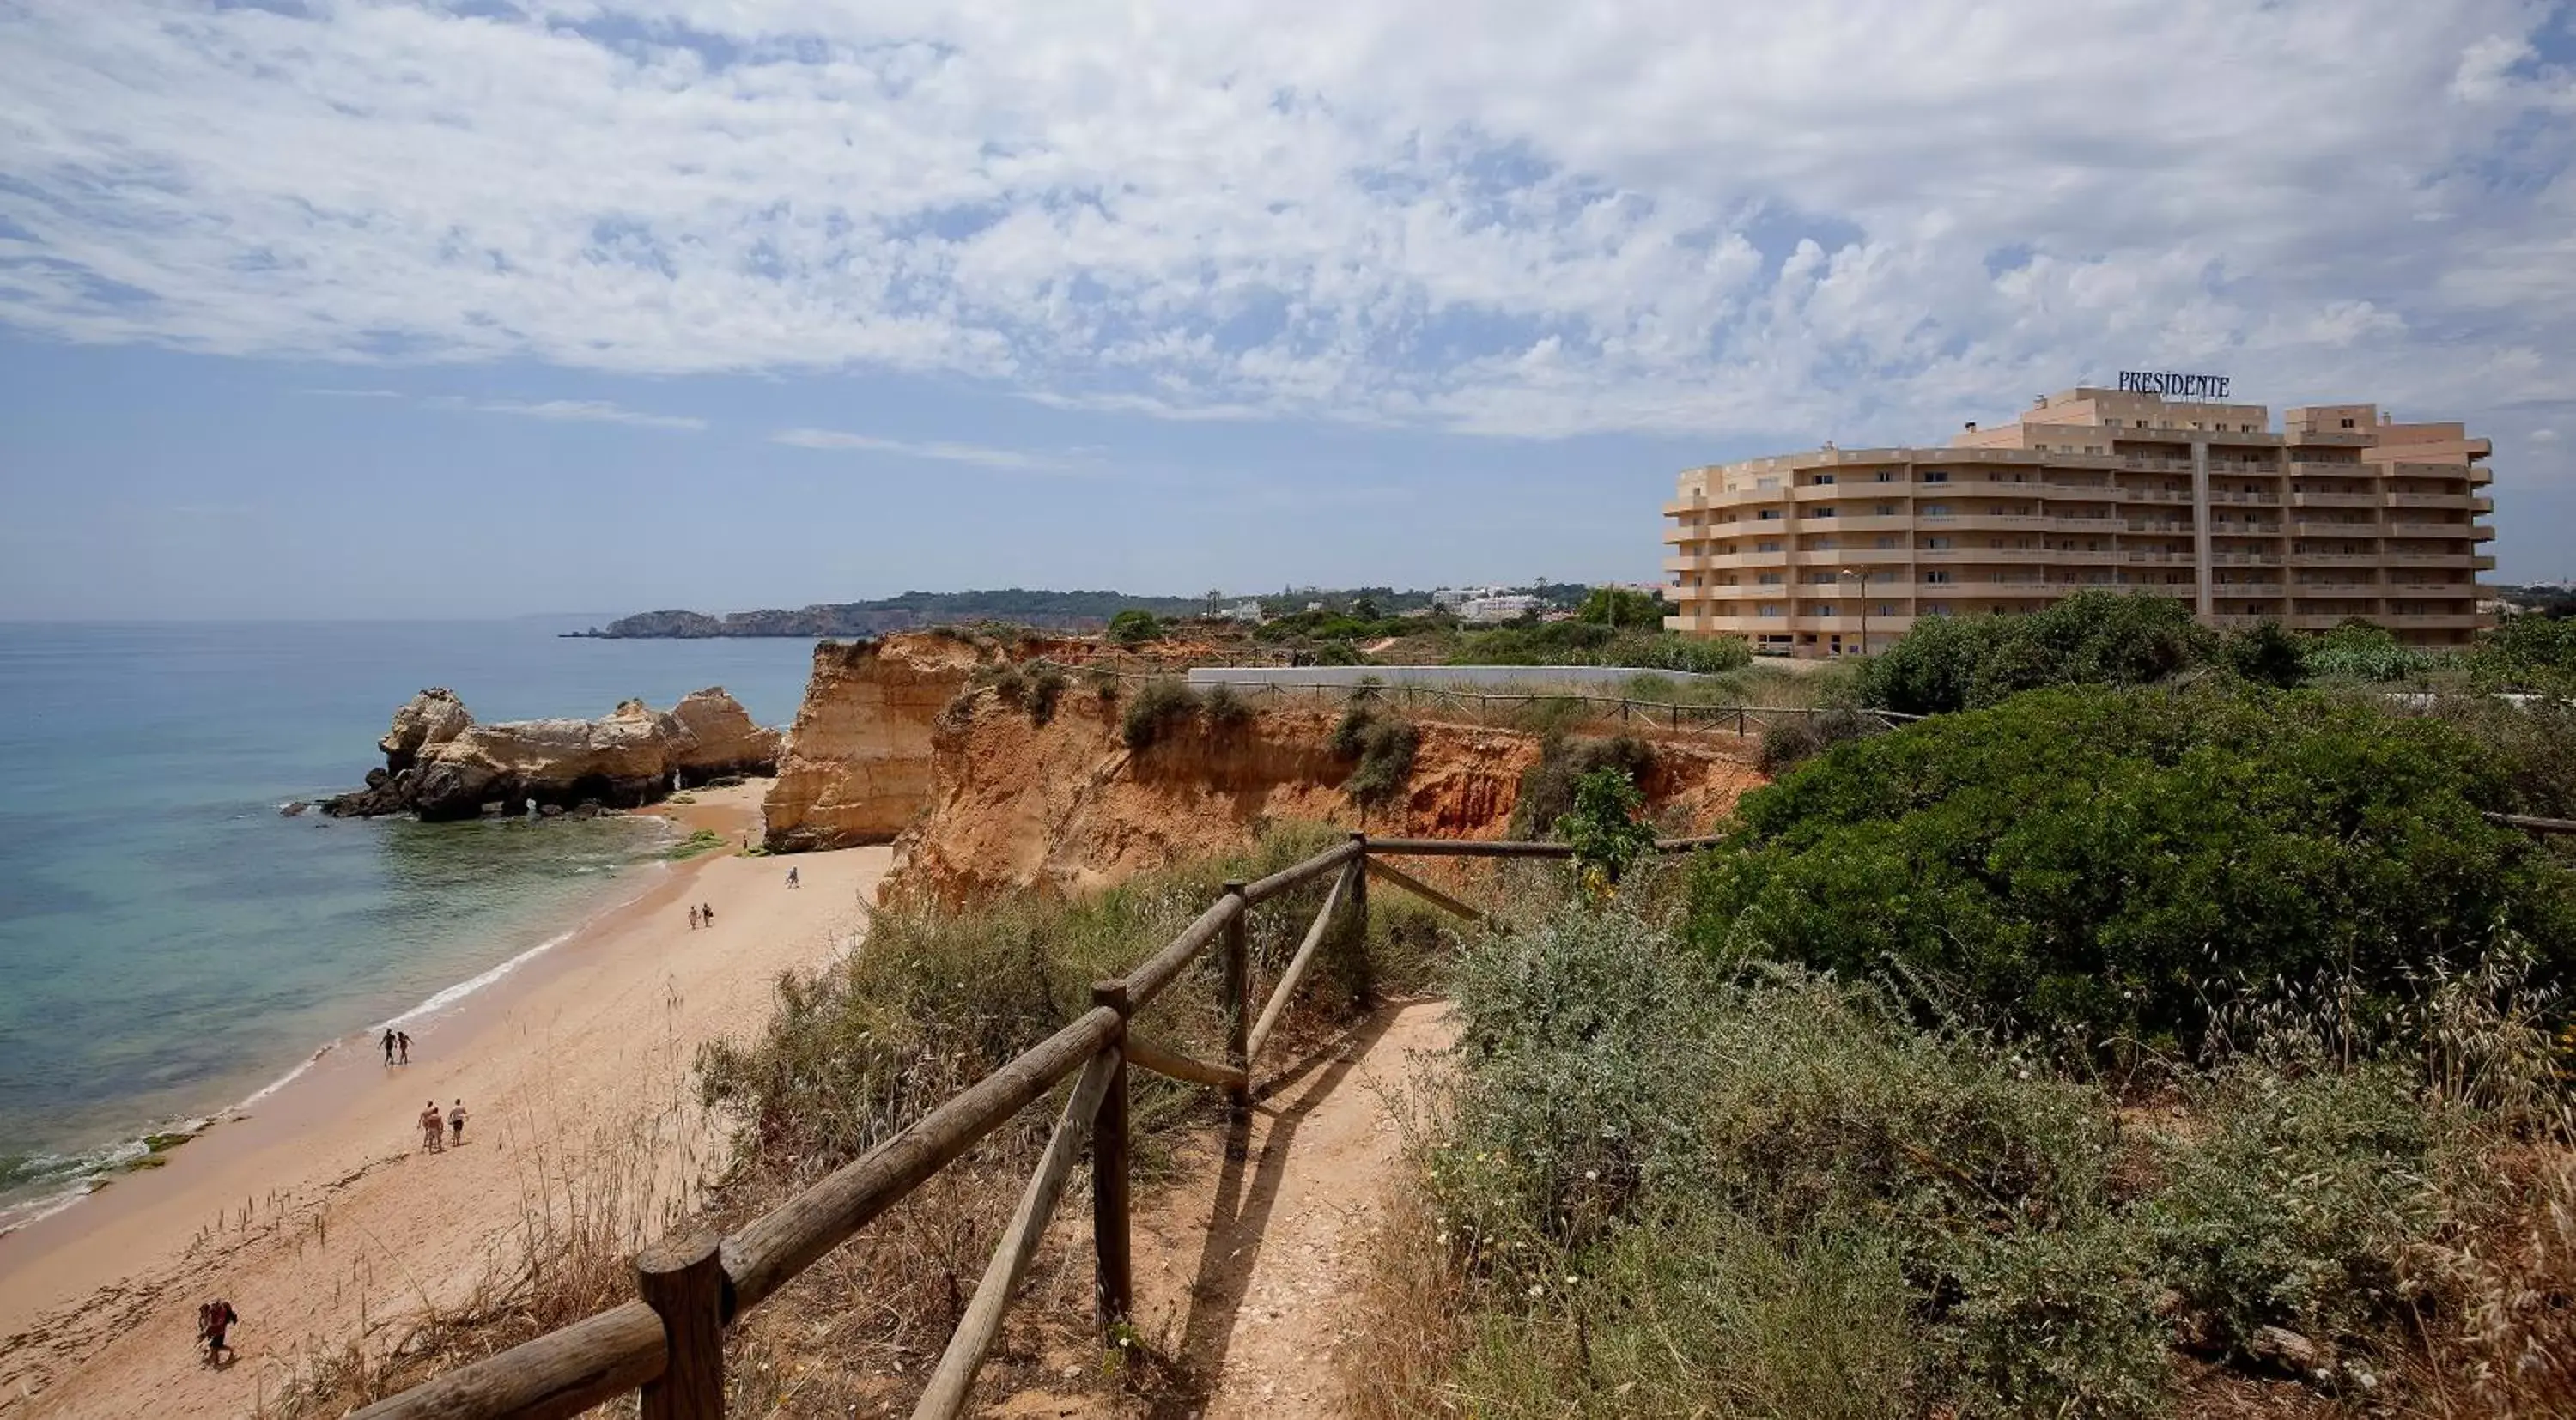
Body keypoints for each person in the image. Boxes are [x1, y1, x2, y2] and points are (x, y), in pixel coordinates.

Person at [197, 1299, 239, 1365]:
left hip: (220, 1332)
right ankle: (216, 1361)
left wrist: (210, 1326)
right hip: (215, 1332)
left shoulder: (222, 1312)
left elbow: (219, 1322)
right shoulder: (212, 1311)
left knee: (216, 1347)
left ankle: (230, 1351)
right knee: (214, 1347)